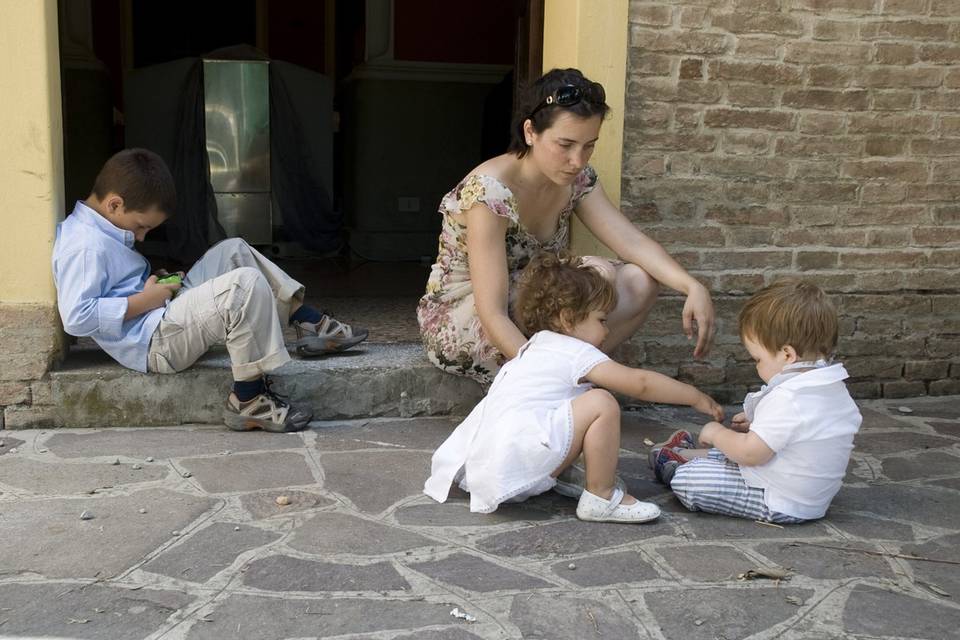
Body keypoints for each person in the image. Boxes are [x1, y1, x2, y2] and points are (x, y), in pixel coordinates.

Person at [417, 68, 715, 384]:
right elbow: (492, 312)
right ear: (530, 132)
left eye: (589, 145)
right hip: (469, 318)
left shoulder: (578, 180)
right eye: (566, 144)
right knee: (589, 277)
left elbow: (632, 242)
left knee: (639, 281)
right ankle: (553, 380)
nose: (578, 160)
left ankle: (574, 374)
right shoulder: (489, 192)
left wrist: (691, 285)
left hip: (534, 303)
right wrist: (538, 380)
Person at [52, 148, 368, 433]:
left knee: (234, 250)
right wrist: (146, 299)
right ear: (114, 204)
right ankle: (248, 399)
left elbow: (117, 287)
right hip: (155, 343)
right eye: (141, 226)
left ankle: (309, 323)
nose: (143, 237)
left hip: (161, 313)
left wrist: (157, 284)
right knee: (244, 285)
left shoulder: (102, 228)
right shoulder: (83, 245)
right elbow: (77, 318)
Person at [424, 252, 723, 523]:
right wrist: (693, 396)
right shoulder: (575, 352)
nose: (607, 330)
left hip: (488, 467)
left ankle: (566, 473)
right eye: (602, 320)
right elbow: (640, 383)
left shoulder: (535, 346)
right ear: (568, 320)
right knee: (601, 402)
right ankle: (601, 496)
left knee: (577, 404)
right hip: (519, 465)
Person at [650, 280, 862, 524]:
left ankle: (674, 466)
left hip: (781, 499)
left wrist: (716, 432)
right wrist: (756, 424)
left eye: (757, 359)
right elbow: (801, 431)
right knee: (730, 451)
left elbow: (751, 454)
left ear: (787, 355)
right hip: (808, 495)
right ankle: (682, 453)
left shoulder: (789, 397)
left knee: (694, 480)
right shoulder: (830, 387)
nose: (756, 366)